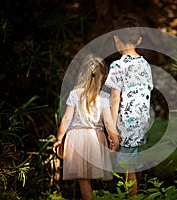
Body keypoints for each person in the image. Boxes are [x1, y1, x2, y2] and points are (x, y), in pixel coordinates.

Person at [52, 56, 120, 200]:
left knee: (83, 179)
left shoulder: (74, 94)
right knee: (91, 176)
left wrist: (59, 138)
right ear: (102, 77)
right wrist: (115, 140)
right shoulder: (103, 98)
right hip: (96, 139)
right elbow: (108, 122)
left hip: (76, 139)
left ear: (82, 74)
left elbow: (66, 119)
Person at [105, 14, 153, 196]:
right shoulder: (145, 64)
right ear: (139, 40)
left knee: (128, 168)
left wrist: (112, 127)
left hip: (126, 123)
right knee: (134, 161)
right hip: (142, 122)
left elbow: (115, 98)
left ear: (116, 38)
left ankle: (133, 196)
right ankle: (139, 192)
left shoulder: (117, 66)